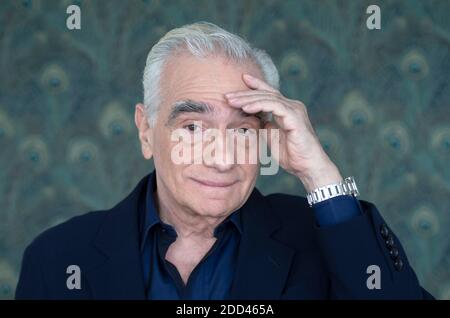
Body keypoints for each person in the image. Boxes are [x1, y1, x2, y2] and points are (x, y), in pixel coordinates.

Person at [16, 21, 434, 299]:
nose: (221, 158)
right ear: (146, 131)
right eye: (193, 127)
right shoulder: (57, 260)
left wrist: (319, 172)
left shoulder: (323, 239)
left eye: (242, 130)